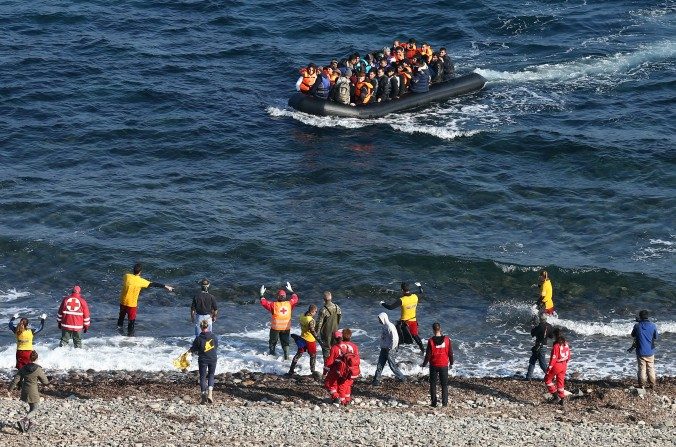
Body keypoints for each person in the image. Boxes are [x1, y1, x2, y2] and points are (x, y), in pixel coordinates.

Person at [118, 262, 174, 336]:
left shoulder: (126, 276)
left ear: (133, 270)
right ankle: (130, 337)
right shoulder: (141, 281)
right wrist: (165, 286)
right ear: (140, 272)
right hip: (131, 304)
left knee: (121, 317)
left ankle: (118, 332)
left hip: (122, 301)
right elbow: (153, 284)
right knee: (131, 321)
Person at [8, 350, 49, 433]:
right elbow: (45, 382)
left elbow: (16, 379)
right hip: (33, 391)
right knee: (35, 409)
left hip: (25, 391)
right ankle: (24, 420)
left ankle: (30, 425)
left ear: (29, 358)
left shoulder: (23, 368)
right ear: (37, 359)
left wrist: (9, 390)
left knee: (31, 407)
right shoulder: (38, 369)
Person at [381, 282, 424, 352]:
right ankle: (423, 351)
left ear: (402, 290)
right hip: (413, 321)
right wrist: (419, 286)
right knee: (415, 336)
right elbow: (421, 292)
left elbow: (390, 307)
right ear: (409, 289)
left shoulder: (402, 300)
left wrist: (382, 303)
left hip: (404, 323)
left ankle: (396, 351)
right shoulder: (415, 297)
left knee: (397, 337)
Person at [260, 282, 299, 359]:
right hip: (286, 328)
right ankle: (286, 357)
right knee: (285, 343)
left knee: (272, 342)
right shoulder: (289, 304)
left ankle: (271, 356)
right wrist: (292, 291)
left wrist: (261, 294)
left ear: (278, 297)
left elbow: (264, 303)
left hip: (276, 328)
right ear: (285, 297)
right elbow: (295, 299)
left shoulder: (273, 305)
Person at [323, 328, 360, 405]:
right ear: (350, 336)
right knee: (347, 385)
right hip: (351, 370)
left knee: (329, 383)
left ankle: (338, 398)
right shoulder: (354, 346)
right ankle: (347, 399)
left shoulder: (336, 347)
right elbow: (356, 359)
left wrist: (325, 372)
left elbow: (330, 362)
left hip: (339, 370)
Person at [421, 322, 454, 407]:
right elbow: (450, 353)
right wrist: (451, 363)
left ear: (433, 330)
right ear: (440, 329)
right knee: (444, 385)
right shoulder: (447, 340)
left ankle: (434, 402)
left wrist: (424, 364)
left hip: (434, 365)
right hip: (444, 365)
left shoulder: (431, 341)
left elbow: (428, 355)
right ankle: (445, 403)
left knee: (433, 384)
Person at [371, 312, 406, 385]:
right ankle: (376, 380)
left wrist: (391, 348)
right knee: (380, 364)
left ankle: (402, 377)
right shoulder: (384, 326)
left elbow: (395, 338)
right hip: (384, 348)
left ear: (384, 318)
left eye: (380, 319)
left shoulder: (390, 326)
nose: (379, 321)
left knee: (392, 366)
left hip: (389, 349)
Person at [189, 319, 218, 404]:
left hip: (203, 359)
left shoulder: (198, 338)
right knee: (211, 375)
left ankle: (203, 396)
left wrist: (188, 352)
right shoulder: (213, 336)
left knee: (202, 376)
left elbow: (194, 349)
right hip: (213, 358)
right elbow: (216, 346)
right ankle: (210, 394)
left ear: (201, 327)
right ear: (208, 326)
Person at [289, 304, 320, 376]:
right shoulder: (311, 320)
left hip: (302, 337)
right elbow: (312, 331)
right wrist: (318, 339)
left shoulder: (302, 316)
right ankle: (313, 371)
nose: (316, 313)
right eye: (316, 311)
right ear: (313, 311)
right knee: (313, 355)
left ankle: (291, 370)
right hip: (310, 340)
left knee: (299, 353)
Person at [630, 310, 658, 389]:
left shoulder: (637, 326)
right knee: (651, 367)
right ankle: (652, 384)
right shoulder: (653, 325)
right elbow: (656, 337)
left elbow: (632, 335)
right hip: (650, 351)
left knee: (642, 368)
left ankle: (642, 385)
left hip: (640, 351)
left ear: (640, 317)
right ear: (647, 316)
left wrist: (639, 323)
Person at [544, 328, 571, 405]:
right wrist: (565, 363)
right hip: (564, 364)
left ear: (555, 336)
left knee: (547, 379)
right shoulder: (566, 344)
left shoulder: (556, 346)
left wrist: (549, 368)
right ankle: (562, 399)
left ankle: (556, 397)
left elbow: (553, 358)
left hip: (557, 365)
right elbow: (569, 356)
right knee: (560, 382)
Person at [526, 313, 554, 380]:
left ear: (540, 319)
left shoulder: (539, 326)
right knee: (534, 360)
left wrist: (533, 327)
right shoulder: (549, 326)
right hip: (544, 346)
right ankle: (528, 377)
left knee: (540, 363)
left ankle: (550, 376)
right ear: (546, 319)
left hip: (538, 346)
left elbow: (532, 334)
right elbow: (551, 336)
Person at [315, 291, 342, 361]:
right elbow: (339, 319)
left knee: (326, 352)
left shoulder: (323, 310)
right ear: (331, 298)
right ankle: (335, 368)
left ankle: (327, 368)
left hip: (326, 334)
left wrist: (316, 334)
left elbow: (319, 324)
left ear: (323, 299)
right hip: (335, 332)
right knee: (335, 351)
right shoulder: (337, 307)